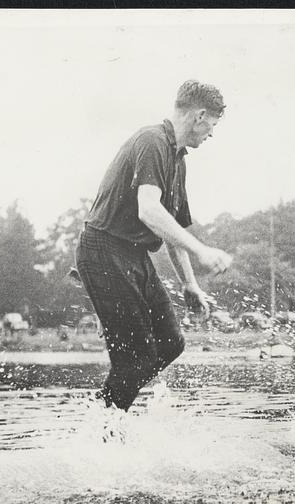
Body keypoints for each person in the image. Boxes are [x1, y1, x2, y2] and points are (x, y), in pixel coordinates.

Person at [76, 80, 233, 412]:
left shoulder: (177, 160)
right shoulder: (152, 141)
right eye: (212, 125)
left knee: (171, 343)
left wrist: (190, 284)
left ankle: (105, 415)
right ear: (199, 116)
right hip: (104, 250)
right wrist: (202, 251)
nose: (211, 134)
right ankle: (104, 425)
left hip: (133, 256)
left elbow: (172, 228)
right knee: (137, 358)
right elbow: (149, 211)